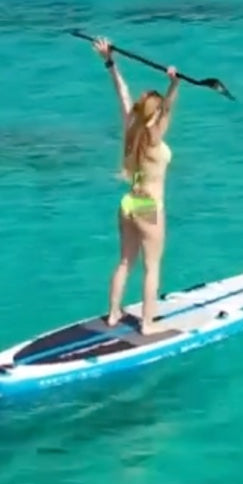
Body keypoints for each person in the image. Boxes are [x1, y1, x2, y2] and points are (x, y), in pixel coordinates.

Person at [91, 36, 180, 335]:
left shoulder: (131, 128)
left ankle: (114, 314)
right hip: (149, 205)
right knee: (152, 266)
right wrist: (174, 84)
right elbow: (168, 111)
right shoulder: (153, 137)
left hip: (129, 202)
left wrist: (109, 62)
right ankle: (147, 324)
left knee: (125, 262)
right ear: (154, 115)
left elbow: (122, 91)